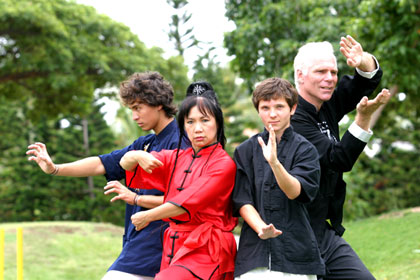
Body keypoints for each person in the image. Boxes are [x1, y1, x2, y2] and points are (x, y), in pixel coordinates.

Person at [26, 72, 183, 280]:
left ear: (158, 104)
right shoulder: (145, 143)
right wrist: (55, 168)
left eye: (138, 108)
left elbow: (186, 202)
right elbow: (102, 163)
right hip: (137, 243)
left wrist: (135, 199)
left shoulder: (181, 142)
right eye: (131, 110)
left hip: (161, 245)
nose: (134, 116)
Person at [291, 35, 391, 279]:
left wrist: (362, 60)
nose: (330, 78)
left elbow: (365, 82)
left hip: (323, 232)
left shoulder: (325, 103)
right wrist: (362, 119)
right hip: (296, 236)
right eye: (321, 71)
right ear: (300, 75)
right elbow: (338, 159)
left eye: (333, 72)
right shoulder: (293, 118)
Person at [114, 90, 238, 280]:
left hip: (207, 249)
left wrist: (147, 215)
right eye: (190, 122)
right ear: (183, 126)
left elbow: (184, 204)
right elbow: (125, 164)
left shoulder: (223, 164)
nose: (197, 128)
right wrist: (136, 155)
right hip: (174, 247)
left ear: (218, 124)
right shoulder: (175, 157)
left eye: (205, 120)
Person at [232, 77, 324, 280]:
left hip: (297, 253)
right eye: (265, 107)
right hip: (254, 254)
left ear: (293, 108)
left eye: (279, 106)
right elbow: (242, 200)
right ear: (258, 110)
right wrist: (261, 228)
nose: (272, 114)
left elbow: (295, 191)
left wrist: (274, 163)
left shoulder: (306, 149)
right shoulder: (244, 151)